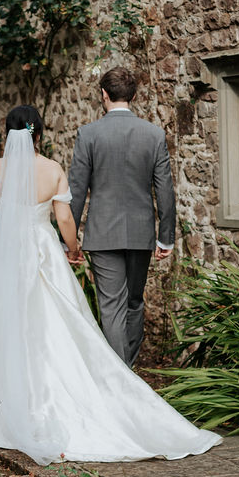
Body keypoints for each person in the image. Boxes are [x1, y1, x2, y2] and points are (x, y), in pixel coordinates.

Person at [0, 105, 221, 466]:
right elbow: (63, 218)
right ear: (39, 134)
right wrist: (73, 249)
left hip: (5, 255)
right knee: (54, 324)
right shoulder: (52, 170)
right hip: (43, 252)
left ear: (6, 134)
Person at [67, 67, 175, 367]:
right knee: (134, 302)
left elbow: (76, 190)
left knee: (111, 307)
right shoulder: (153, 134)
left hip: (102, 235)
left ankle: (120, 379)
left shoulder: (88, 134)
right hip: (141, 234)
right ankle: (127, 373)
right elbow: (165, 189)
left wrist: (69, 240)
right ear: (135, 96)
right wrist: (166, 237)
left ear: (104, 94)